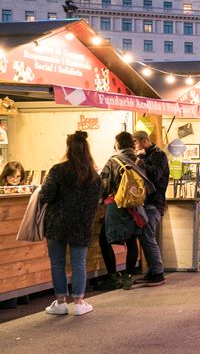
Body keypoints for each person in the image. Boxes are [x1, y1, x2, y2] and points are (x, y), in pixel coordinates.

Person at [38, 131, 103, 315]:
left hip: (57, 224)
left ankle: (60, 303)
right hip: (81, 226)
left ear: (69, 148)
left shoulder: (58, 171)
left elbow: (45, 196)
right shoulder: (94, 177)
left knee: (57, 263)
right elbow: (95, 204)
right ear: (86, 150)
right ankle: (79, 303)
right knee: (79, 264)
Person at [97, 131, 153, 290]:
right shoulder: (139, 161)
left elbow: (104, 186)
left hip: (116, 206)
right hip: (135, 207)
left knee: (104, 240)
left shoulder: (113, 161)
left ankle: (113, 276)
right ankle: (128, 277)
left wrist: (100, 202)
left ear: (118, 144)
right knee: (132, 241)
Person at [132, 131, 169, 286]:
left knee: (148, 236)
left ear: (145, 140)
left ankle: (158, 273)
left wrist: (140, 163)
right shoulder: (144, 156)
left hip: (154, 203)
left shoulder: (159, 156)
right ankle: (152, 271)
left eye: (135, 142)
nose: (134, 145)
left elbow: (155, 175)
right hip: (144, 202)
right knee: (144, 237)